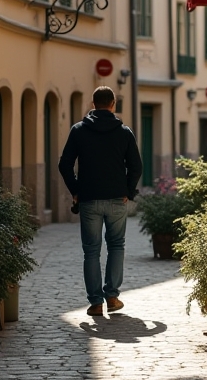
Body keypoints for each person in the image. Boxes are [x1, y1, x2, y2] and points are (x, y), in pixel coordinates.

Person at [58, 86, 143, 317]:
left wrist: (76, 190)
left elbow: (64, 164)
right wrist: (128, 190)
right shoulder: (124, 132)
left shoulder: (79, 131)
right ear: (113, 104)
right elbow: (136, 166)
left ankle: (95, 303)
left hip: (89, 199)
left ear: (92, 104)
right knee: (116, 246)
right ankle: (112, 296)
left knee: (91, 251)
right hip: (117, 198)